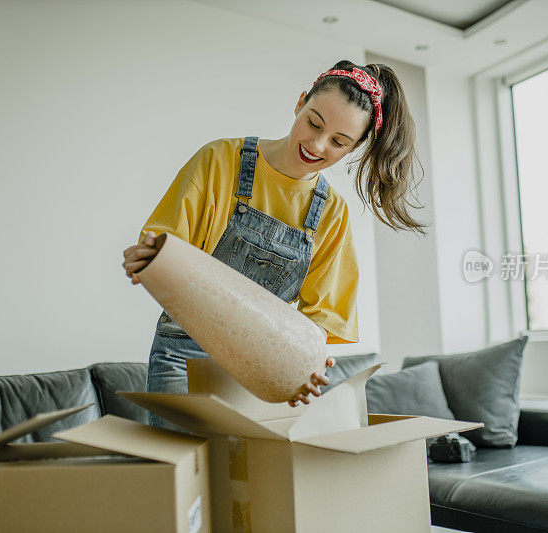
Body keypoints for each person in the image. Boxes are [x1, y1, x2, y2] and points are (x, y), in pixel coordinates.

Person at [121, 60, 426, 432]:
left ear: (355, 147)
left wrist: (307, 364)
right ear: (300, 103)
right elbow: (167, 247)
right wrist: (149, 259)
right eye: (314, 122)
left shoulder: (331, 214)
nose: (316, 144)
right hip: (182, 358)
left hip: (263, 370)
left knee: (249, 486)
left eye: (338, 142)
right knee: (187, 484)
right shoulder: (220, 160)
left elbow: (321, 319)